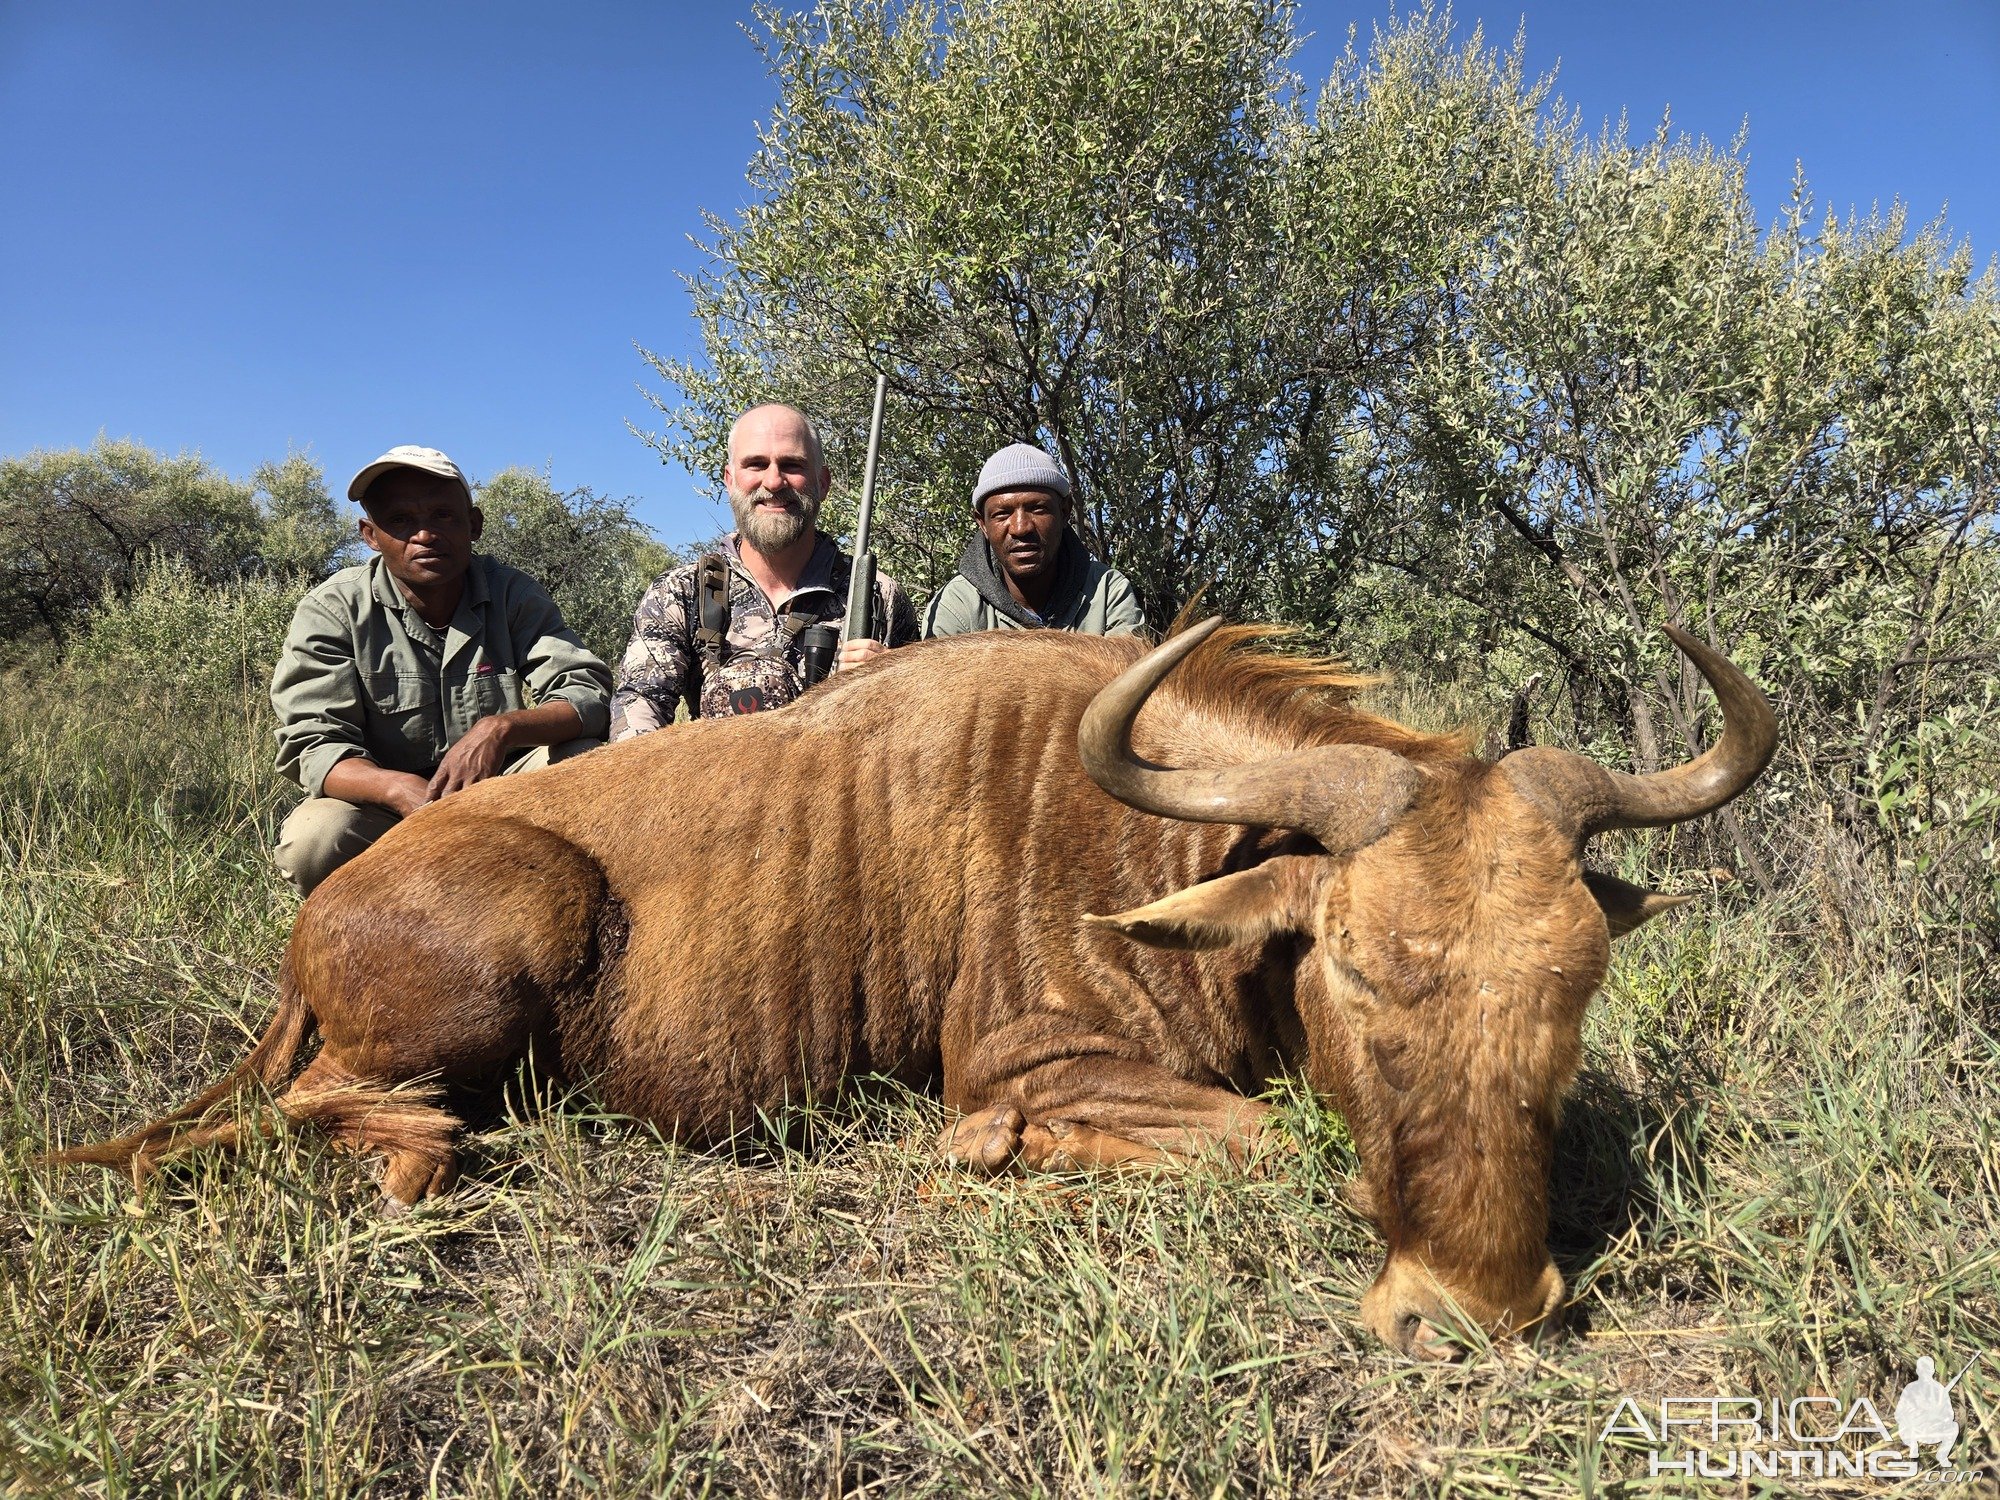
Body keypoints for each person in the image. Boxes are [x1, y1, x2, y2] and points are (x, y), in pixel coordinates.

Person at [271, 445, 613, 895]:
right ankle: (360, 937)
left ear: (474, 526)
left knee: (587, 758)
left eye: (443, 516)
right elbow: (313, 744)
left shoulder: (512, 592)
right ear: (370, 535)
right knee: (314, 840)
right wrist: (396, 789)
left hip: (501, 795)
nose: (425, 534)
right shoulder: (333, 609)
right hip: (386, 810)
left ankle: (570, 911)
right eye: (400, 521)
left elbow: (586, 694)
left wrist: (500, 729)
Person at [610, 404, 918, 734]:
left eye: (792, 465)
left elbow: (922, 728)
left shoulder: (878, 598)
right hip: (716, 783)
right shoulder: (680, 592)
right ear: (730, 480)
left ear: (823, 482)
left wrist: (892, 689)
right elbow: (640, 703)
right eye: (756, 464)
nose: (773, 482)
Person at [921, 442, 1147, 638]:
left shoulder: (1107, 592)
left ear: (1065, 512)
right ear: (982, 524)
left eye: (1038, 509)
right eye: (1001, 513)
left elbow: (1128, 677)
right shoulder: (956, 605)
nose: (1021, 528)